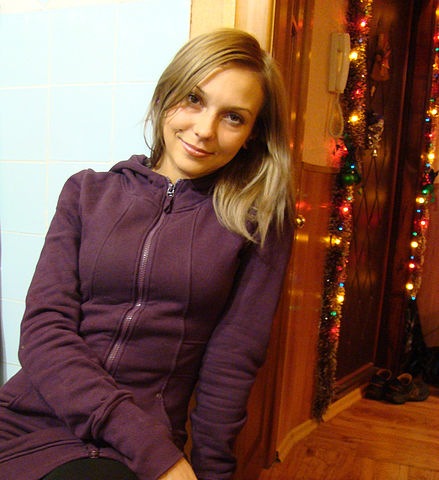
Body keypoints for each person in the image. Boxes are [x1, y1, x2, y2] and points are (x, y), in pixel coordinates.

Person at [0, 28, 294, 480]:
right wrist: (152, 449)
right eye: (194, 99)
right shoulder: (86, 192)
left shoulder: (257, 223)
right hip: (30, 417)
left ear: (252, 135)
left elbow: (232, 363)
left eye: (233, 117)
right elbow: (43, 330)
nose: (205, 130)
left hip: (130, 451)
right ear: (166, 95)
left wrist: (204, 471)